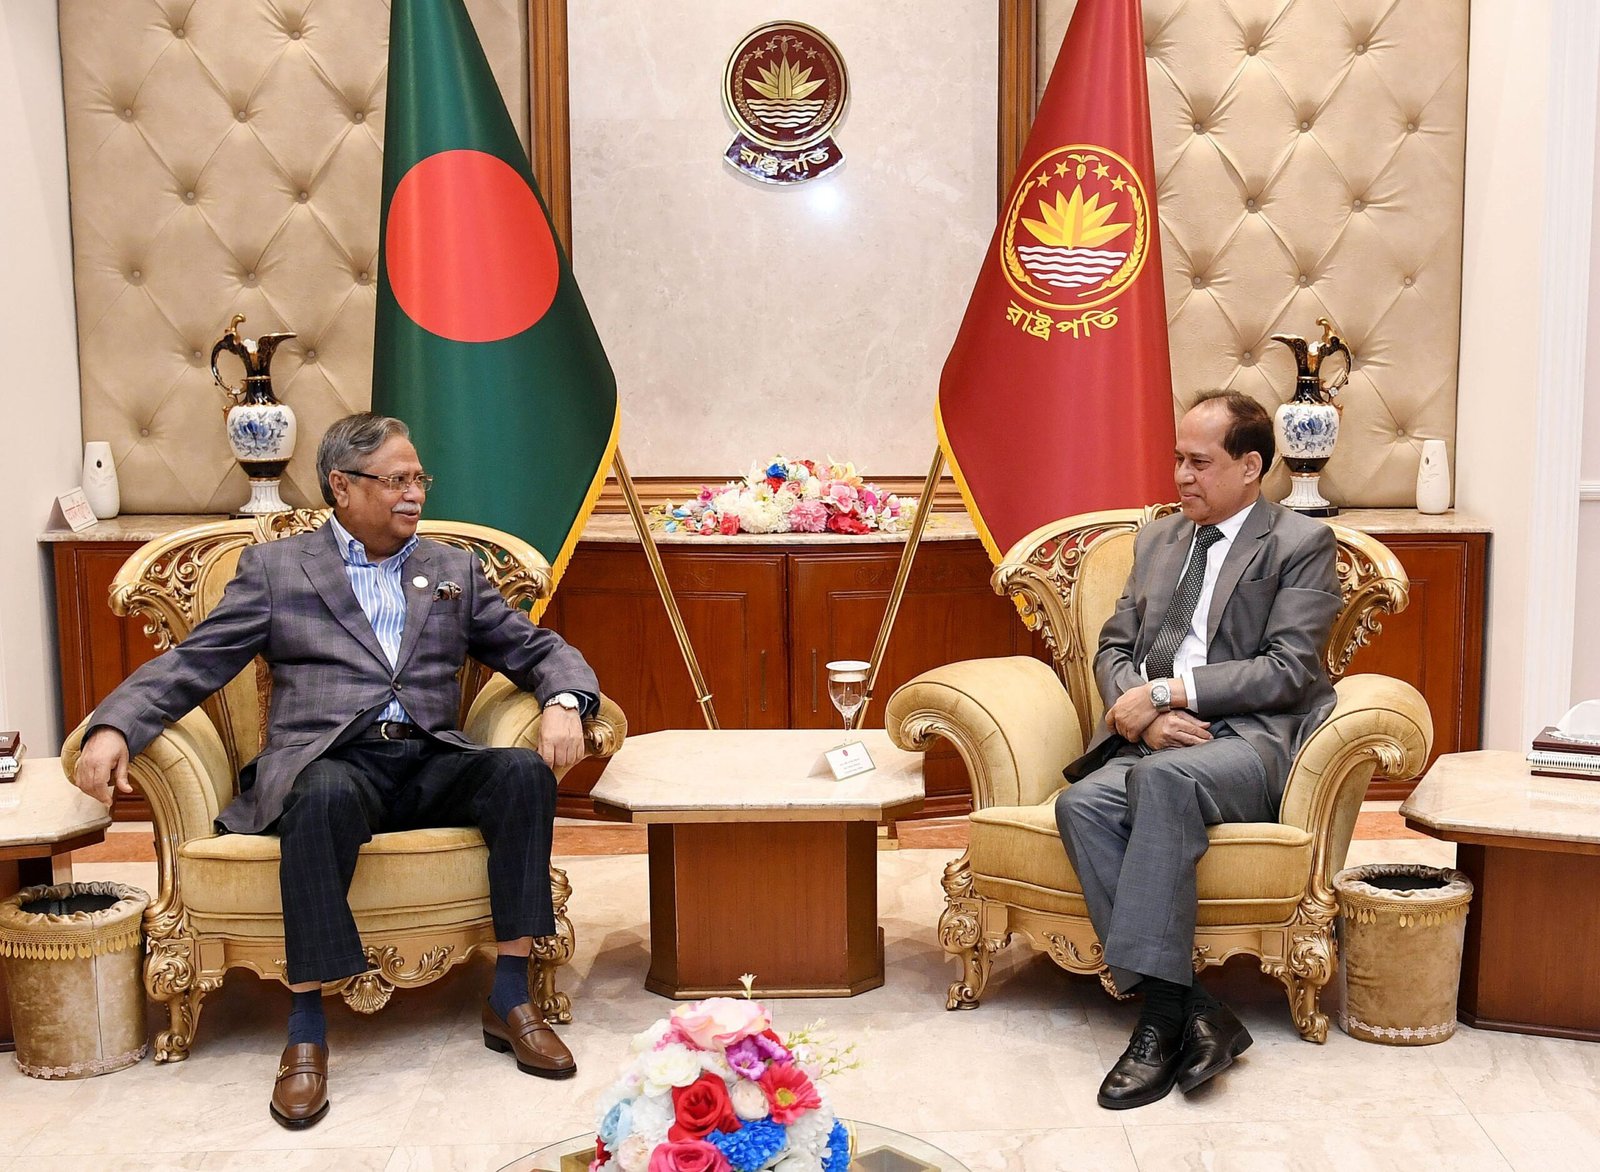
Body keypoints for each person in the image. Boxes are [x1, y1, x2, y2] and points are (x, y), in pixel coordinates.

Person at [73, 412, 599, 1130]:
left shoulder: (451, 569)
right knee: (320, 795)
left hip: (428, 758)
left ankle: (510, 996)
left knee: (520, 775)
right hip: (332, 760)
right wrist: (113, 726)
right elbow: (194, 663)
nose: (415, 493)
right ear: (342, 486)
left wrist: (564, 701)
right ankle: (306, 1032)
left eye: (420, 478)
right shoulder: (277, 570)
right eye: (396, 480)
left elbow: (535, 648)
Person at [1055, 390, 1341, 1110]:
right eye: (1177, 459)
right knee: (1081, 804)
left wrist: (1168, 693)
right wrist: (1143, 717)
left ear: (1250, 466)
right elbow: (1114, 647)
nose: (1181, 475)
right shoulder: (1158, 540)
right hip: (1158, 737)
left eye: (1200, 462)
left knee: (1164, 782)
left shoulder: (1300, 544)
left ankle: (1156, 1026)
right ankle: (1198, 1010)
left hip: (1248, 739)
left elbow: (1289, 669)